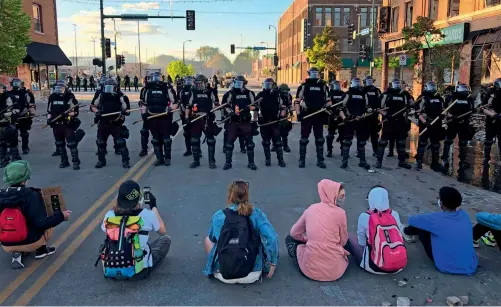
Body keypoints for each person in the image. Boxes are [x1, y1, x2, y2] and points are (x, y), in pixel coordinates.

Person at [203, 180, 279, 284]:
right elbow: (272, 238)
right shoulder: (256, 213)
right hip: (252, 274)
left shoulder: (219, 216)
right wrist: (273, 262)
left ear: (230, 196)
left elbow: (212, 238)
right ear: (246, 196)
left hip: (223, 274)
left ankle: (218, 264)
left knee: (208, 239)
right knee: (259, 239)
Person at [0, 160, 71, 269]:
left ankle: (16, 251)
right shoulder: (31, 195)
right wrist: (62, 216)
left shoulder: (1, 195)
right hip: (31, 242)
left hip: (5, 244)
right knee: (48, 218)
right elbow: (41, 223)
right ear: (25, 179)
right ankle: (41, 250)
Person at [99, 180, 170, 278]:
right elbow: (162, 231)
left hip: (114, 266)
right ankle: (143, 261)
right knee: (165, 240)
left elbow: (107, 232)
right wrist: (153, 206)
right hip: (140, 270)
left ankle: (114, 264)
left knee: (105, 245)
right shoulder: (147, 214)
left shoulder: (109, 215)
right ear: (138, 199)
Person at [403, 186, 478, 275]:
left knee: (421, 227)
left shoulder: (436, 219)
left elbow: (412, 220)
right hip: (470, 265)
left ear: (441, 203)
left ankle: (405, 232)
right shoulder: (465, 216)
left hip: (445, 266)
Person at [285, 179, 349, 281]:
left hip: (310, 270)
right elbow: (343, 241)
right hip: (335, 272)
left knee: (289, 239)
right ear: (332, 195)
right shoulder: (341, 213)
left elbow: (294, 233)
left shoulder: (311, 209)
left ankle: (300, 259)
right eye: (341, 196)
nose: (343, 199)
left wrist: (308, 240)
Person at [347, 185, 409, 274]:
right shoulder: (394, 214)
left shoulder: (365, 216)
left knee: (350, 236)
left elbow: (362, 243)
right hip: (398, 266)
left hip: (373, 266)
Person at [294, 67, 332, 168]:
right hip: (307, 115)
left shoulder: (323, 86)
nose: (315, 75)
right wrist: (298, 114)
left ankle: (320, 160)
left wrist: (328, 105)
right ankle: (302, 160)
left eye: (316, 73)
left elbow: (328, 99)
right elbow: (297, 101)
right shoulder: (304, 86)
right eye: (313, 73)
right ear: (309, 73)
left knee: (319, 139)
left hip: (319, 114)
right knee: (304, 139)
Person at [91, 78, 131, 169]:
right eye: (107, 87)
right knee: (101, 142)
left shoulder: (121, 96)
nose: (109, 90)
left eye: (111, 87)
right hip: (103, 122)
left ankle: (126, 161)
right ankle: (101, 161)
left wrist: (124, 111)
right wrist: (97, 111)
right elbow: (93, 106)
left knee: (120, 142)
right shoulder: (101, 95)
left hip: (115, 123)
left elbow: (127, 110)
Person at [222, 75, 257, 170]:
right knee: (229, 144)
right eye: (237, 83)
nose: (238, 85)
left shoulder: (249, 93)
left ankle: (251, 163)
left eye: (240, 83)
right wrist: (231, 112)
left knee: (250, 144)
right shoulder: (230, 93)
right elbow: (225, 106)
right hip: (233, 121)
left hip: (245, 121)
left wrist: (254, 121)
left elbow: (255, 108)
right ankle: (228, 163)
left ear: (245, 84)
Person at [375, 79, 413, 169]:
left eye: (398, 84)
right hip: (389, 121)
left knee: (401, 142)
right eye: (395, 84)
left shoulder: (404, 94)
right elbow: (378, 108)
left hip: (401, 121)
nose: (397, 85)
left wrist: (410, 105)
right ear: (391, 85)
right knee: (383, 142)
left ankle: (402, 161)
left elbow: (412, 103)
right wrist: (386, 115)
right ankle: (379, 161)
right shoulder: (386, 94)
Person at [143, 72, 177, 166]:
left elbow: (175, 102)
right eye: (155, 78)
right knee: (156, 140)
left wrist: (171, 109)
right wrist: (144, 114)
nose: (157, 80)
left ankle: (167, 158)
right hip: (152, 117)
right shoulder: (148, 89)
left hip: (165, 117)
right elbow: (144, 103)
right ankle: (159, 158)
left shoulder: (167, 89)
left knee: (166, 140)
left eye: (159, 78)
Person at [185, 75, 219, 168]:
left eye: (200, 83)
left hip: (207, 119)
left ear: (205, 82)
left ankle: (212, 161)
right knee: (194, 140)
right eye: (196, 83)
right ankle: (196, 161)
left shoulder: (210, 92)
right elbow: (188, 106)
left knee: (211, 141)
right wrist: (187, 117)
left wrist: (214, 109)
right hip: (196, 119)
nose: (198, 85)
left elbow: (216, 104)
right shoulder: (193, 92)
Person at [46, 81, 81, 170]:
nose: (58, 91)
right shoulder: (52, 97)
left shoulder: (70, 98)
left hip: (67, 124)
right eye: (57, 89)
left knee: (72, 144)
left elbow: (75, 112)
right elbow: (49, 111)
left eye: (61, 89)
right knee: (60, 144)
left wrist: (69, 114)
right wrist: (49, 119)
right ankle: (64, 161)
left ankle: (76, 161)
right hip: (56, 125)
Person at [441, 84, 474, 171]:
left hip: (464, 123)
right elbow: (444, 110)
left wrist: (472, 112)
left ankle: (462, 160)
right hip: (453, 123)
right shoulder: (451, 97)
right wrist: (451, 116)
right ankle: (445, 159)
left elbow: (471, 109)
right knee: (448, 141)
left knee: (463, 142)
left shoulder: (469, 98)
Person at [339, 78, 371, 169]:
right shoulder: (347, 94)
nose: (357, 85)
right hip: (350, 120)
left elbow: (367, 106)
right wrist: (344, 118)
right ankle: (344, 161)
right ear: (352, 84)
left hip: (360, 120)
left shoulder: (364, 94)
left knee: (361, 142)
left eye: (358, 83)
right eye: (355, 83)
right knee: (347, 142)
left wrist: (370, 111)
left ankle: (362, 161)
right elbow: (341, 108)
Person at [256, 78, 286, 167]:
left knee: (277, 142)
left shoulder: (278, 95)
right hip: (264, 122)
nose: (267, 87)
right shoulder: (260, 95)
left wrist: (282, 116)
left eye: (269, 85)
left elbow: (283, 107)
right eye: (266, 85)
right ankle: (268, 159)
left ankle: (281, 160)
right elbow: (255, 108)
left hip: (275, 121)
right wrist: (254, 120)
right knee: (266, 142)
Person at [416, 81, 445, 171]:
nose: (432, 89)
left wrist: (443, 115)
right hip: (426, 124)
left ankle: (435, 163)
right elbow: (418, 112)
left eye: (433, 87)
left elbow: (444, 109)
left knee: (436, 144)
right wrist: (424, 122)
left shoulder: (439, 98)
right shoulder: (422, 98)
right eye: (430, 87)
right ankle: (419, 162)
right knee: (422, 143)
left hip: (436, 124)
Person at [3, 79, 26, 162]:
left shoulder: (23, 93)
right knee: (6, 139)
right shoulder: (8, 94)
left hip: (20, 116)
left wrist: (20, 112)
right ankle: (5, 157)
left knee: (23, 133)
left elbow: (22, 105)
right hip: (7, 119)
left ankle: (24, 148)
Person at [481, 78, 501, 168]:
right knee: (488, 140)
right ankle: (486, 157)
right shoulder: (490, 92)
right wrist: (493, 115)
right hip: (491, 120)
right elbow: (483, 108)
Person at [363, 76, 382, 156]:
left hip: (374, 115)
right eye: (368, 81)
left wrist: (378, 108)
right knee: (363, 135)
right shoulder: (362, 90)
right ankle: (360, 151)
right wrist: (366, 108)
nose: (369, 82)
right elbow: (361, 101)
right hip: (364, 116)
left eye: (371, 81)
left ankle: (375, 150)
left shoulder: (377, 90)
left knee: (374, 135)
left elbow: (380, 100)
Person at [326, 81, 346, 157]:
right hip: (332, 116)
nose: (337, 86)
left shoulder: (343, 94)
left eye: (338, 85)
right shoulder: (329, 94)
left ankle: (343, 150)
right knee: (330, 135)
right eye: (335, 85)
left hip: (341, 116)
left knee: (342, 135)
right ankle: (329, 150)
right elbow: (326, 106)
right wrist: (331, 113)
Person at [274, 83, 293, 153]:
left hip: (284, 115)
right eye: (283, 91)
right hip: (275, 114)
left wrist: (291, 111)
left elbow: (290, 105)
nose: (285, 92)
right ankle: (274, 144)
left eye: (286, 91)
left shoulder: (288, 96)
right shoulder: (275, 95)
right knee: (275, 130)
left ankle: (285, 145)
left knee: (284, 130)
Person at [179, 76, 194, 157]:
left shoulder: (194, 90)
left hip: (194, 115)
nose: (188, 82)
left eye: (190, 81)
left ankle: (197, 150)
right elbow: (180, 103)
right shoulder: (182, 91)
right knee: (186, 133)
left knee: (195, 134)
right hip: (184, 115)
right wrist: (181, 114)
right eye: (187, 81)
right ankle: (188, 150)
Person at [138, 75, 151, 157]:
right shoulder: (143, 90)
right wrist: (143, 114)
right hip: (147, 114)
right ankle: (144, 149)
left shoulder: (159, 89)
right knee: (144, 132)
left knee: (158, 133)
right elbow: (142, 103)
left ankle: (160, 149)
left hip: (157, 113)